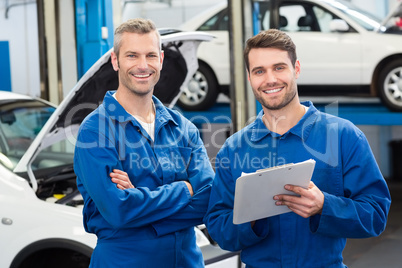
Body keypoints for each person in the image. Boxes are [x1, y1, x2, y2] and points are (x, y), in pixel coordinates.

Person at [203, 29, 391, 267]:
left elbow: (375, 215)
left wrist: (324, 205)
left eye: (279, 67)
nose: (270, 79)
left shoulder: (343, 136)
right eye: (259, 71)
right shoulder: (235, 149)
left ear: (297, 69)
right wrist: (249, 219)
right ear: (250, 78)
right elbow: (219, 230)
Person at [74, 18, 214, 267]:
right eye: (132, 56)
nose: (142, 65)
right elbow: (119, 210)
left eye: (150, 55)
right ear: (116, 61)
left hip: (185, 261)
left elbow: (207, 200)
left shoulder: (182, 128)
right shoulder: (95, 131)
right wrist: (185, 189)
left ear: (160, 60)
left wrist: (139, 200)